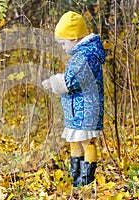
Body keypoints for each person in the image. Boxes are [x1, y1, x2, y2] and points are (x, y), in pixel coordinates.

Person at [42, 11, 106, 186]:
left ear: (75, 38)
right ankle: (75, 173)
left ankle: (86, 178)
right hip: (77, 108)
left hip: (86, 108)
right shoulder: (80, 55)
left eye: (63, 43)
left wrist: (54, 81)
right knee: (75, 140)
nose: (62, 48)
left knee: (87, 141)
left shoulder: (86, 56)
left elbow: (73, 80)